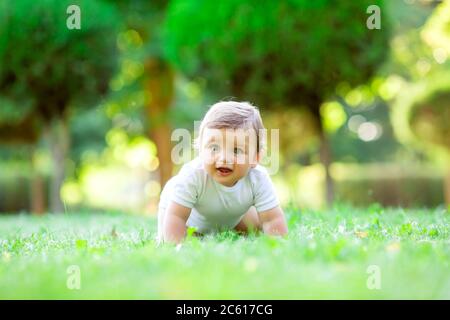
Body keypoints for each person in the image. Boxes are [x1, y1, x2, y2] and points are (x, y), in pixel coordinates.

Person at [157, 101, 288, 244]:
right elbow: (177, 216)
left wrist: (277, 244)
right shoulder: (193, 176)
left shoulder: (258, 178)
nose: (224, 158)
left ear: (255, 157)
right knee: (173, 236)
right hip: (185, 216)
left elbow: (272, 219)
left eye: (237, 150)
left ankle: (226, 228)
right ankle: (192, 236)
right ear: (200, 150)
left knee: (255, 225)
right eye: (214, 148)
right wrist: (176, 246)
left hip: (230, 216)